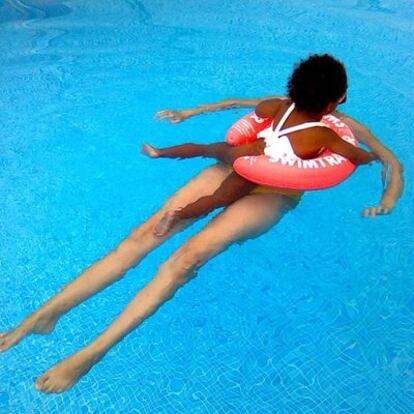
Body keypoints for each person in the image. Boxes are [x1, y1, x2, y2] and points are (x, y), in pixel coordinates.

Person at [0, 55, 404, 394]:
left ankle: (92, 351)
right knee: (143, 236)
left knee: (186, 257)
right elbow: (387, 159)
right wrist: (387, 198)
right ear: (337, 100)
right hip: (239, 169)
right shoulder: (313, 120)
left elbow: (235, 103)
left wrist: (193, 111)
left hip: (274, 192)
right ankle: (47, 314)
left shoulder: (317, 121)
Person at [141, 56, 379, 237]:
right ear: (330, 106)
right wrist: (372, 156)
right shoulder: (321, 134)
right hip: (255, 168)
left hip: (243, 149)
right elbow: (353, 155)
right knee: (218, 198)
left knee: (204, 148)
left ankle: (159, 152)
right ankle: (178, 214)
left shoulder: (281, 106)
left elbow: (260, 110)